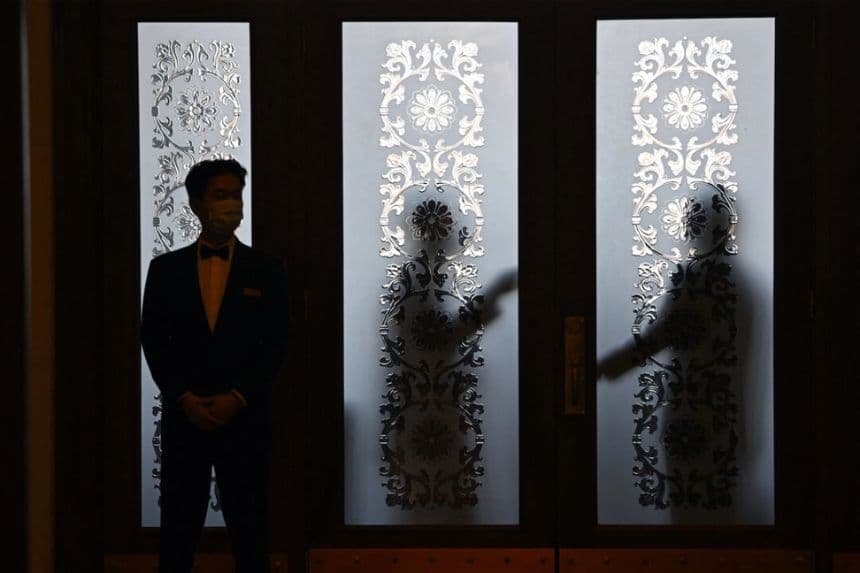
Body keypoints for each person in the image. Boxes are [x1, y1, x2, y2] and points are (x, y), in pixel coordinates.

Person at [140, 158, 289, 572]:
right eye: (220, 195)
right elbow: (153, 340)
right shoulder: (165, 270)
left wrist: (238, 396)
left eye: (236, 195)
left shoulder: (268, 269)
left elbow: (276, 343)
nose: (232, 205)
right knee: (178, 532)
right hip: (184, 419)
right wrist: (184, 397)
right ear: (196, 204)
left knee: (250, 531)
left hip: (245, 420)